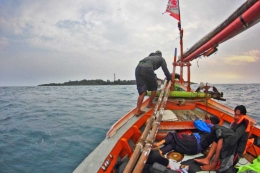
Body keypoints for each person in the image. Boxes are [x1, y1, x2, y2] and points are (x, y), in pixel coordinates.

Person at [194, 105, 251, 173]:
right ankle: (207, 159)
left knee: (221, 141)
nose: (236, 117)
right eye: (235, 114)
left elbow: (234, 137)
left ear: (243, 115)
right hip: (232, 146)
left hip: (235, 155)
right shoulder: (236, 123)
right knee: (218, 137)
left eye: (239, 115)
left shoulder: (242, 126)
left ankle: (213, 165)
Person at [153, 116, 220, 156]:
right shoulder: (216, 129)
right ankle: (160, 152)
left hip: (194, 142)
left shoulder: (209, 127)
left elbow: (196, 123)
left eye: (209, 120)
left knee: (173, 135)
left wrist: (203, 120)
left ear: (210, 122)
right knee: (174, 144)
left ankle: (158, 144)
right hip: (194, 151)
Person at [134, 50, 172, 116]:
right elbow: (165, 70)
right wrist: (169, 79)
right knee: (154, 87)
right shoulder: (161, 59)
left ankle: (137, 110)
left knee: (142, 91)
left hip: (138, 68)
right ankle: (150, 104)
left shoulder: (149, 57)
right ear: (160, 55)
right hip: (147, 68)